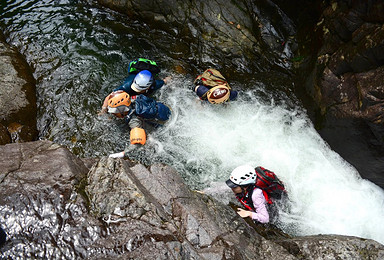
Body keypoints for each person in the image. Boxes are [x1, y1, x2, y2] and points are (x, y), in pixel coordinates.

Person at [104, 91, 171, 158]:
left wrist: (122, 153)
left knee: (148, 140)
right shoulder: (132, 99)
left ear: (122, 110)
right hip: (167, 108)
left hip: (165, 123)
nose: (114, 114)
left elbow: (138, 142)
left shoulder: (133, 120)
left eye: (116, 112)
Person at [99, 58, 171, 115]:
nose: (136, 90)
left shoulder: (155, 85)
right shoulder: (127, 85)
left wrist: (171, 78)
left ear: (148, 87)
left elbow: (165, 81)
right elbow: (110, 96)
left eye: (138, 90)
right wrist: (103, 109)